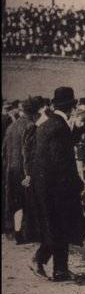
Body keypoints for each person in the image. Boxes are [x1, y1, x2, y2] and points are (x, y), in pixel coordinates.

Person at [28, 87, 85, 281]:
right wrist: (77, 183)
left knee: (58, 226)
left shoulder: (49, 124)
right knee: (61, 225)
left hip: (46, 185)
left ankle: (59, 269)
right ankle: (42, 260)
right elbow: (61, 161)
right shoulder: (59, 126)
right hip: (57, 186)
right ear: (71, 107)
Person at [2, 97, 40, 237]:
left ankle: (16, 231)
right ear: (34, 112)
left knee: (15, 200)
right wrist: (29, 174)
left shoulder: (11, 126)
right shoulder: (31, 126)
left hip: (10, 169)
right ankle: (26, 232)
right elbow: (28, 152)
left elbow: (4, 150)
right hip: (24, 170)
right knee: (28, 199)